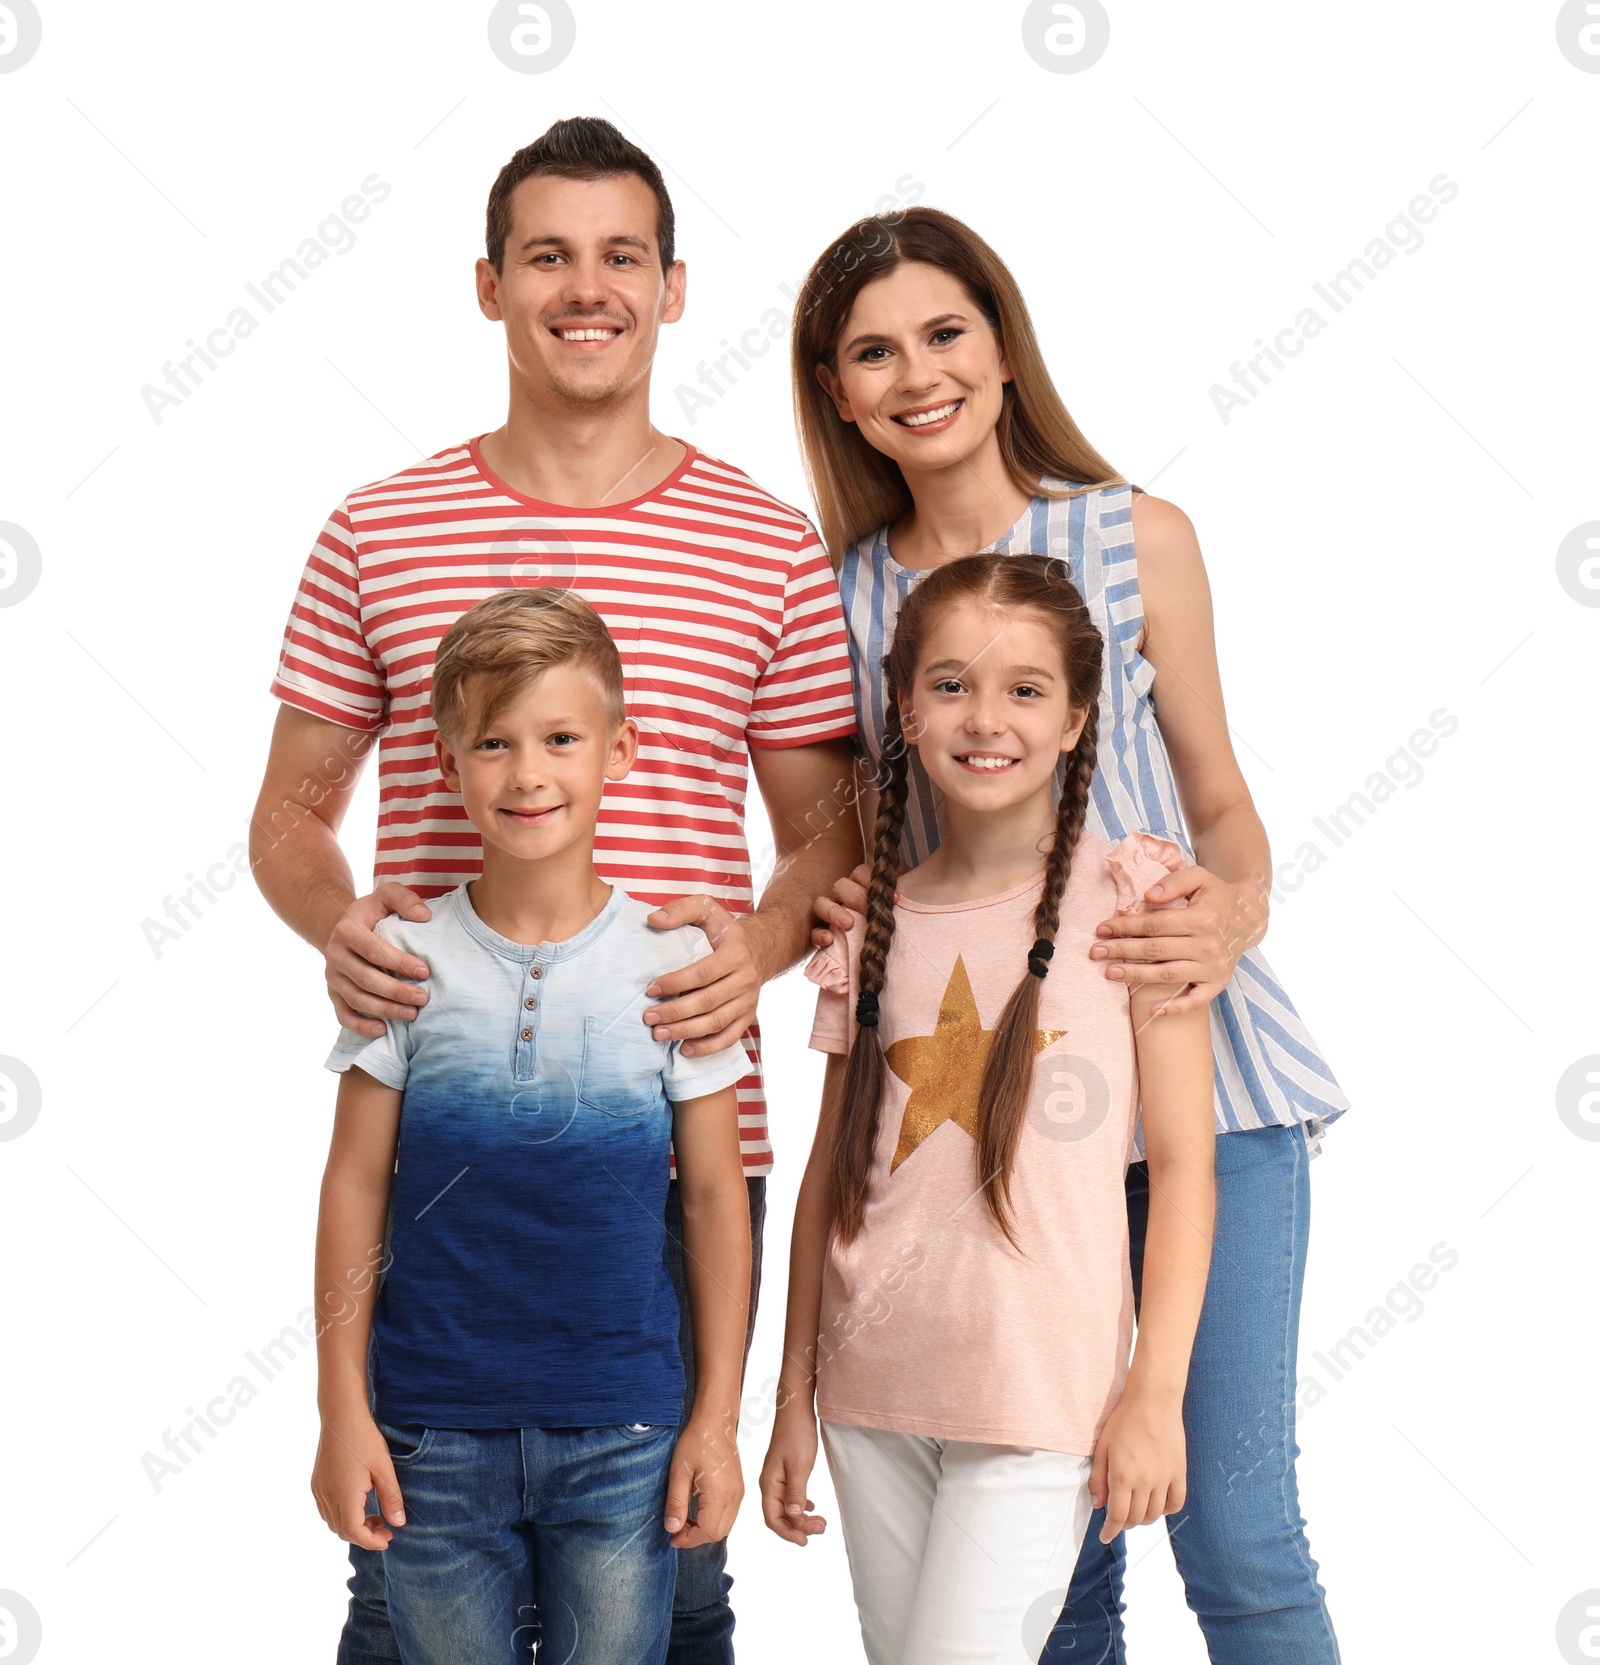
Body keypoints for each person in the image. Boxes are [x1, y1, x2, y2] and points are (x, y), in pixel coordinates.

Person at [250, 117, 861, 1664]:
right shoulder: (376, 530)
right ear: (488, 284)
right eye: (547, 255)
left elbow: (828, 833)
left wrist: (762, 945)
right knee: (406, 1577)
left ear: (670, 290)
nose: (583, 287)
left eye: (619, 257)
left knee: (675, 1579)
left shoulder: (768, 544)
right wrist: (344, 927)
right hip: (441, 1113)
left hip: (675, 1136)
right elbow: (290, 815)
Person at [795, 207, 1348, 1662]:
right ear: (837, 389)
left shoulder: (1134, 534)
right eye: (873, 351)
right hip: (998, 1124)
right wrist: (831, 906)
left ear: (1002, 342)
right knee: (1058, 1567)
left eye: (945, 331)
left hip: (1200, 1092)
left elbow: (1222, 805)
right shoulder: (843, 592)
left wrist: (1230, 908)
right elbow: (872, 849)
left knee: (1236, 1533)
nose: (919, 373)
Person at [758, 555, 1216, 1663]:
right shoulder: (868, 929)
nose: (984, 718)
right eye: (951, 684)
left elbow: (1184, 1173)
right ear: (904, 707)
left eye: (1023, 690)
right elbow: (827, 1178)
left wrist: (1154, 1393)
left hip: (1035, 1398)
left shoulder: (1137, 899)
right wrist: (791, 1397)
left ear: (1074, 720)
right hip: (872, 1392)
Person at [311, 590, 753, 1664]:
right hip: (431, 1436)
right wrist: (340, 1413)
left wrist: (716, 1419)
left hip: (625, 1432)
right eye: (494, 743)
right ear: (448, 759)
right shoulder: (407, 960)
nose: (527, 773)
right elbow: (353, 1186)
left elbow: (710, 1198)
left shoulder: (670, 968)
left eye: (560, 738)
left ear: (621, 749)